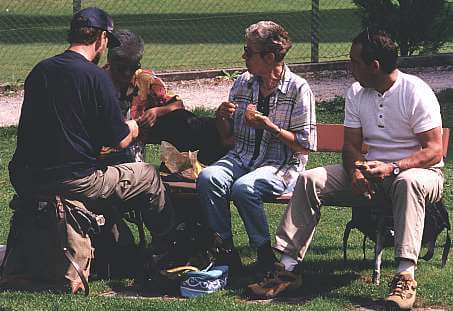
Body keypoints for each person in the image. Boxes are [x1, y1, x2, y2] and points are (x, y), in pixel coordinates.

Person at [249, 29, 444, 310]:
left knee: (407, 182)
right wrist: (355, 172)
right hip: (371, 172)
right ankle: (287, 270)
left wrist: (392, 167)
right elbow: (351, 146)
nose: (348, 66)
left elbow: (434, 150)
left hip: (421, 174)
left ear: (374, 66)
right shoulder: (356, 92)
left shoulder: (415, 92)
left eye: (354, 61)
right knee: (310, 179)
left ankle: (404, 277)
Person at [8, 8, 176, 250]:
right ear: (101, 39)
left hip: (29, 178)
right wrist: (134, 127)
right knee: (147, 175)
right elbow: (118, 140)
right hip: (74, 181)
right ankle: (170, 243)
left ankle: (115, 243)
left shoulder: (40, 70)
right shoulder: (96, 76)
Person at [197, 21, 317, 275]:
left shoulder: (298, 89)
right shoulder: (243, 83)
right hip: (241, 157)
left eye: (249, 52)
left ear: (270, 57)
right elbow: (228, 140)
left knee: (244, 188)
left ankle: (263, 253)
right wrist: (221, 118)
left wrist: (270, 127)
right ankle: (225, 252)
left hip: (281, 164)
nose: (244, 56)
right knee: (208, 177)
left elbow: (305, 146)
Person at [100, 29, 229, 167]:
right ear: (110, 60)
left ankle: (153, 168)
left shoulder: (145, 79)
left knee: (187, 121)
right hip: (107, 152)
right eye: (121, 68)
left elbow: (178, 104)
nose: (127, 73)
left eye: (132, 67)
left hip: (145, 147)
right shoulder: (96, 82)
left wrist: (156, 111)